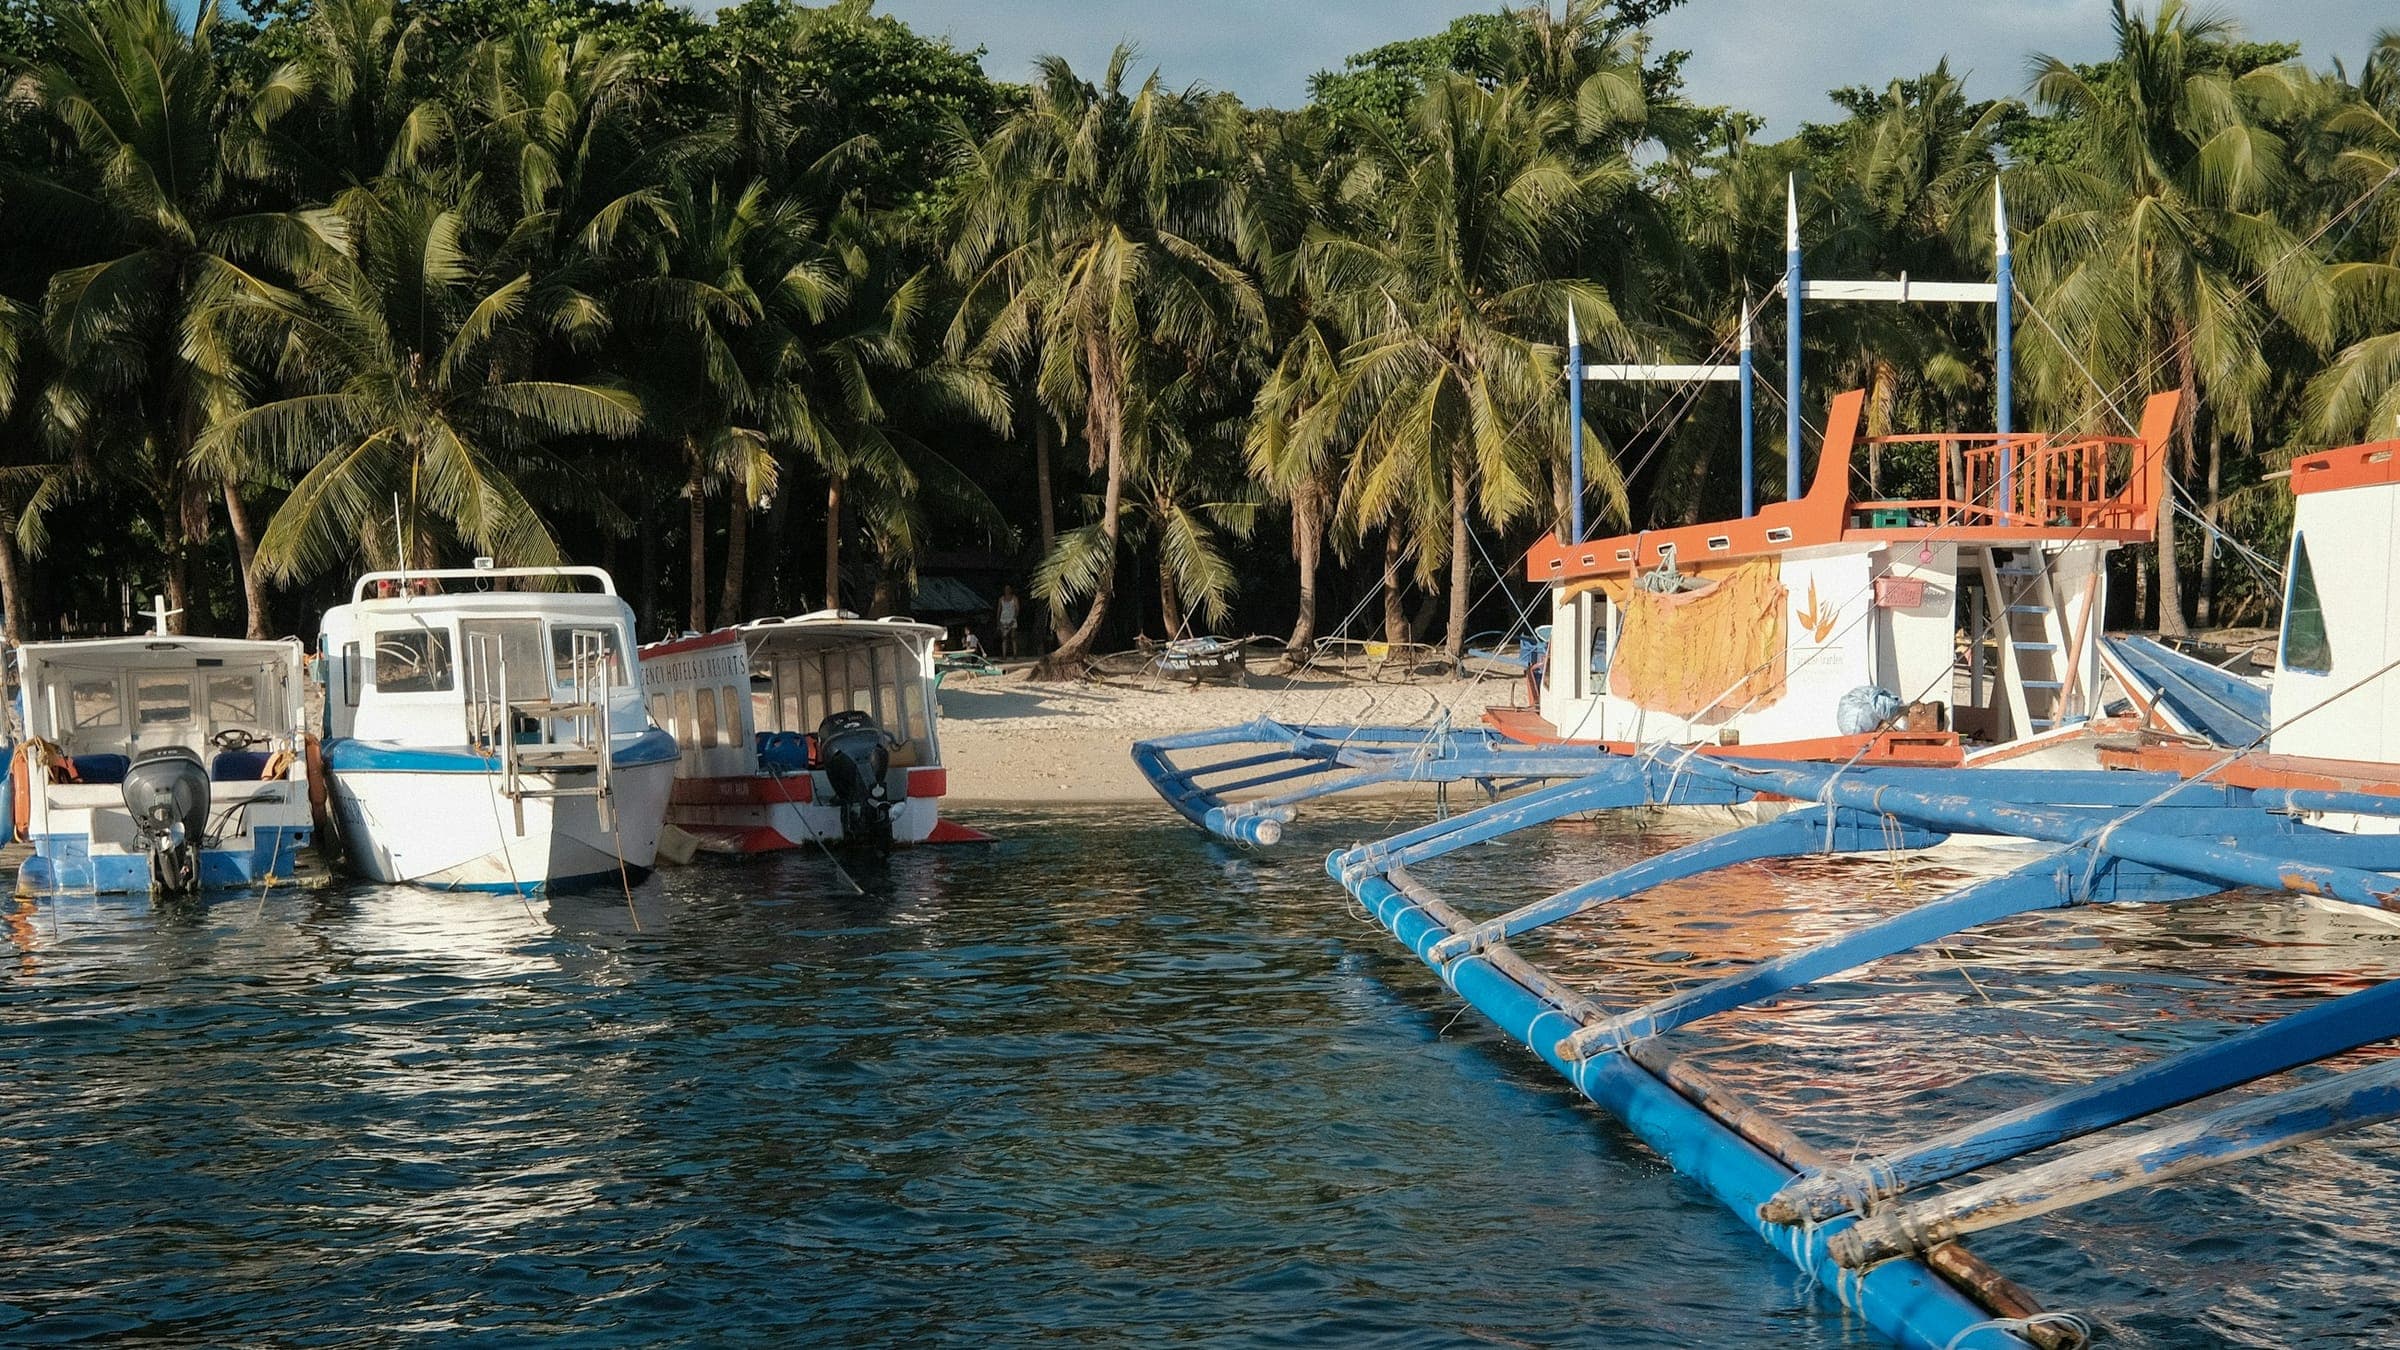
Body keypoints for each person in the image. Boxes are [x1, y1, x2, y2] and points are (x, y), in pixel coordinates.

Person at [996, 584, 1021, 658]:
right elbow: (999, 609)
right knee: (1004, 637)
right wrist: (998, 620)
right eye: (1006, 589)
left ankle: (1015, 654)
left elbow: (1017, 609)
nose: (1007, 590)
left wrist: (1014, 618)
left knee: (1013, 637)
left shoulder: (1014, 598)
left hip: (1012, 618)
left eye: (1008, 589)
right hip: (1003, 619)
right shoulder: (1001, 599)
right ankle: (1004, 655)